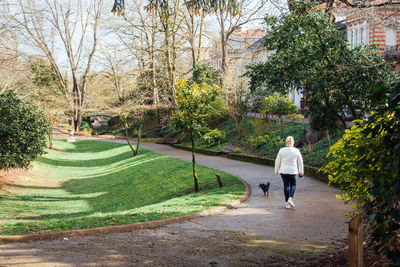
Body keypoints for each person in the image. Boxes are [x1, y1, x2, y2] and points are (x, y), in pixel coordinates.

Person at [275, 136, 304, 209]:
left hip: (283, 171)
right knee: (293, 185)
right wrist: (301, 172)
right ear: (293, 142)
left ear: (286, 142)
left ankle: (287, 203)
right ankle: (290, 198)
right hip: (293, 171)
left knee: (286, 185)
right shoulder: (296, 150)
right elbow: (300, 162)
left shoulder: (281, 150)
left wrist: (277, 169)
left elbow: (277, 160)